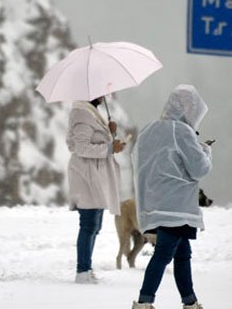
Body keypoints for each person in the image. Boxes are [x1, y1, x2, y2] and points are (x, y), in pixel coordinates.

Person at [131, 85, 212, 309]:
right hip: (177, 206)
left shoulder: (150, 129)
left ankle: (190, 302)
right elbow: (199, 169)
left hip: (157, 203)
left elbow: (144, 165)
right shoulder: (181, 131)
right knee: (164, 254)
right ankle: (144, 302)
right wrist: (205, 150)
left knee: (183, 253)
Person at [66, 97, 125, 284]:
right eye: (101, 93)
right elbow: (81, 147)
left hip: (94, 176)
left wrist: (110, 132)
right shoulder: (83, 114)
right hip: (87, 177)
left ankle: (86, 268)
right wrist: (109, 148)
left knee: (94, 225)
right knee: (89, 224)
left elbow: (92, 140)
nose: (103, 96)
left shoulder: (90, 113)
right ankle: (82, 271)